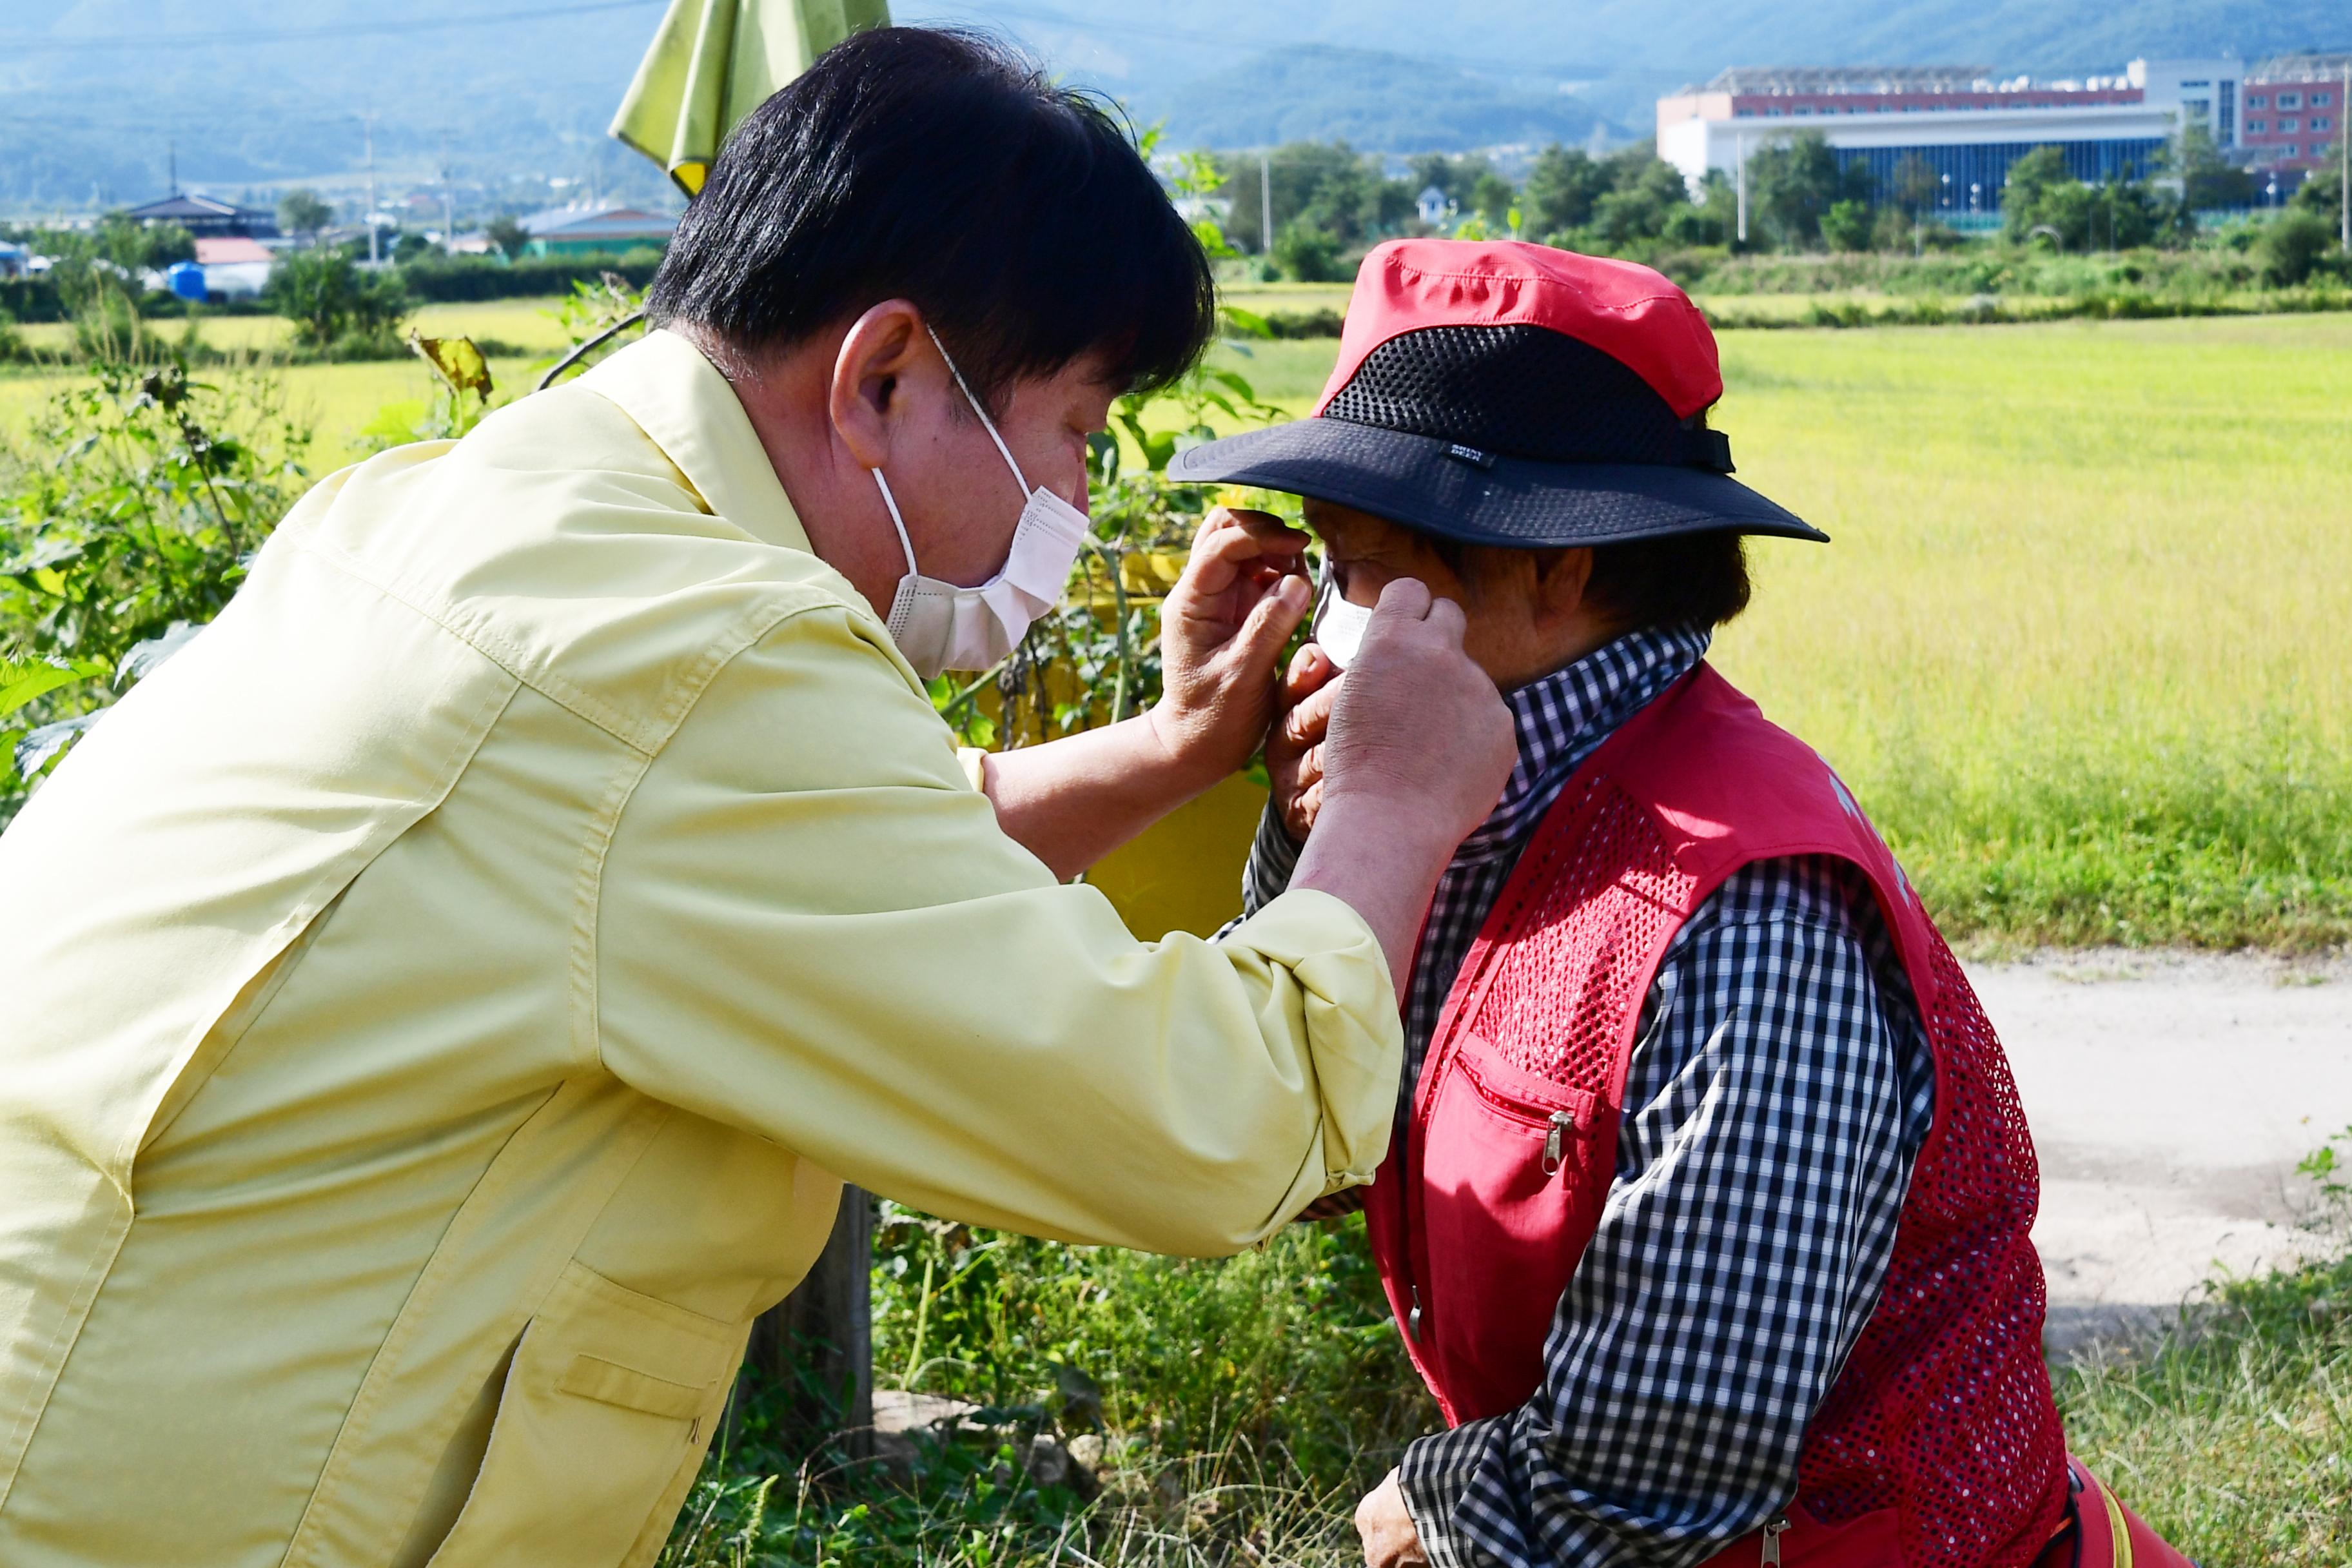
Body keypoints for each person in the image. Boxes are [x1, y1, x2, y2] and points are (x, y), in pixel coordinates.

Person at [0, 34, 1518, 1568]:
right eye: (1069, 430)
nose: (1067, 503)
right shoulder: (701, 659)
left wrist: (1182, 744)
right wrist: (1391, 805)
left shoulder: (486, 511)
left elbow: (825, 861)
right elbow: (1213, 1123)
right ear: (885, 377)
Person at [1174, 239, 2190, 1568]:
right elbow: (1303, 1126)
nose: (1332, 628)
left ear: (1559, 567)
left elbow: (1658, 1461)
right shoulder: (1471, 801)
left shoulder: (1744, 918)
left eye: (1362, 571)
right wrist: (1318, 816)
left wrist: (1433, 1508)